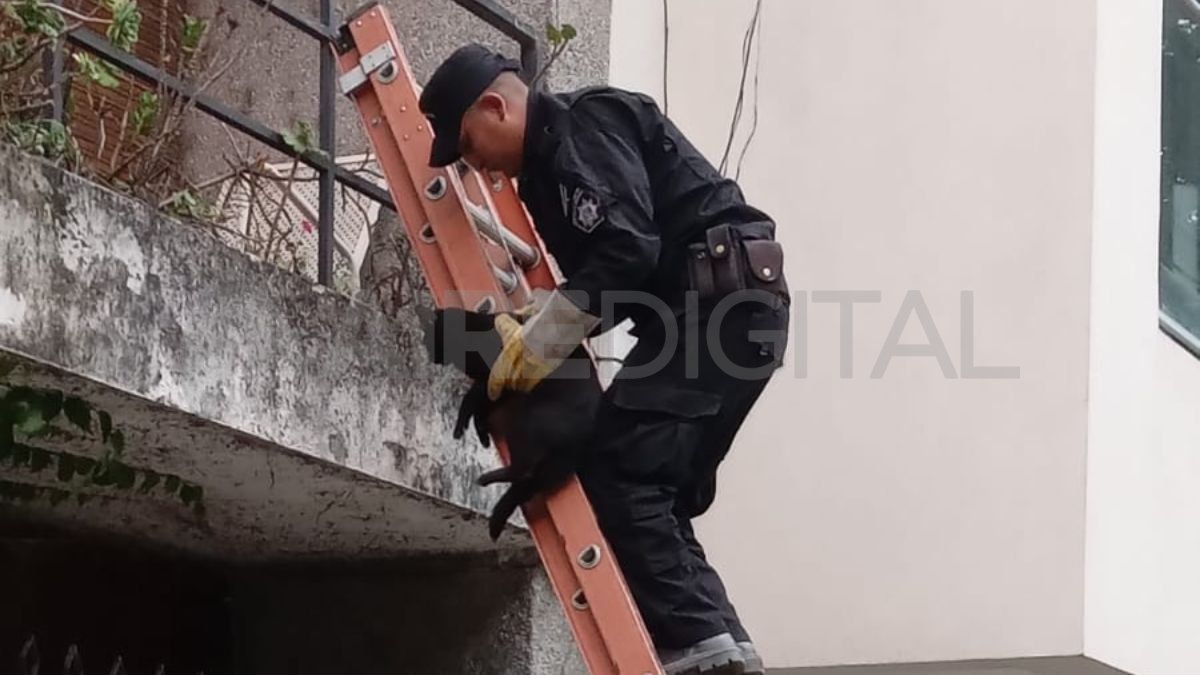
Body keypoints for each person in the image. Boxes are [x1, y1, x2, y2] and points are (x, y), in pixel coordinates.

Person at [419, 44, 790, 675]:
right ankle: (725, 651)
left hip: (715, 309)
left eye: (466, 141)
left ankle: (701, 653)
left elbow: (626, 250)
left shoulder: (580, 128)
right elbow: (611, 278)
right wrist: (532, 340)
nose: (472, 163)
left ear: (494, 106)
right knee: (656, 490)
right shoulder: (547, 172)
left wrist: (534, 347)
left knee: (620, 471)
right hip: (717, 311)